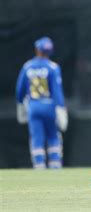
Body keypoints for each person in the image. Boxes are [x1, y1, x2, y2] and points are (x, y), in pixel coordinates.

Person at [15, 37, 68, 169]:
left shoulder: (27, 66)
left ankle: (39, 166)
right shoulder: (53, 67)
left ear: (37, 49)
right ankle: (55, 166)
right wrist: (61, 108)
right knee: (53, 136)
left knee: (36, 138)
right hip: (49, 106)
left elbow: (19, 91)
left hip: (33, 107)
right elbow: (57, 91)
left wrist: (20, 105)